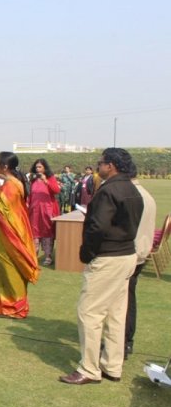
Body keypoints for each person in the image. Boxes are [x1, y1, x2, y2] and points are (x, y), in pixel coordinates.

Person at [59, 148, 144, 385]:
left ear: (112, 165)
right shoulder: (132, 189)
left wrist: (87, 253)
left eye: (101, 163)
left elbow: (97, 227)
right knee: (116, 314)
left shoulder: (109, 190)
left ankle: (89, 368)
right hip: (127, 255)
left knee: (90, 312)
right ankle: (112, 366)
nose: (98, 166)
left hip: (108, 257)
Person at [0, 152, 40, 319]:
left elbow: (0, 209)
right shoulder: (13, 182)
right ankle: (2, 302)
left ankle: (16, 305)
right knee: (3, 265)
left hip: (9, 232)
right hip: (10, 230)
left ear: (5, 166)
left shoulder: (12, 185)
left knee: (8, 265)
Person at [124, 166, 156, 359]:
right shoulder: (144, 194)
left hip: (130, 254)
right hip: (139, 253)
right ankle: (125, 341)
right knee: (127, 298)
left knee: (124, 300)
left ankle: (124, 341)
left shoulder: (132, 196)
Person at [27, 158, 60, 266]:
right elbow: (31, 195)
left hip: (47, 210)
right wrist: (28, 204)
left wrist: (46, 181)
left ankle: (48, 256)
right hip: (35, 210)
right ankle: (33, 256)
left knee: (47, 232)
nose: (37, 169)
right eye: (36, 167)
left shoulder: (50, 178)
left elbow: (56, 190)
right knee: (34, 232)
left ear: (45, 168)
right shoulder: (33, 180)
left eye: (40, 167)